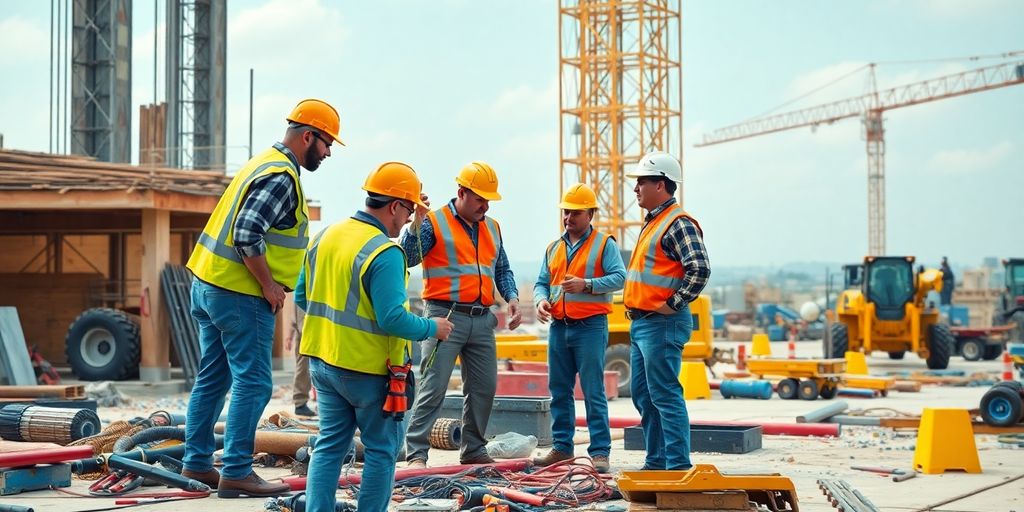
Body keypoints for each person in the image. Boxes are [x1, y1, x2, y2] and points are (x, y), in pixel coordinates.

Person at [182, 98, 343, 497]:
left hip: (209, 285)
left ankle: (197, 464)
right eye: (326, 144)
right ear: (308, 136)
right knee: (254, 384)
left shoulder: (263, 162)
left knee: (213, 378)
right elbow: (247, 234)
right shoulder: (281, 176)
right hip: (239, 293)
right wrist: (271, 285)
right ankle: (236, 470)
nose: (327, 153)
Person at [299, 162, 455, 512]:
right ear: (395, 206)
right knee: (382, 451)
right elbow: (393, 319)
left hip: (322, 362)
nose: (407, 218)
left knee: (329, 446)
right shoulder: (384, 253)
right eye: (409, 209)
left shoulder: (326, 235)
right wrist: (434, 327)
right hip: (367, 372)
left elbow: (301, 296)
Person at [401, 161, 522, 468]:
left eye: (489, 199)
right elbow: (409, 258)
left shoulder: (493, 227)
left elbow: (502, 268)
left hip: (482, 318)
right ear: (461, 193)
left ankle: (474, 449)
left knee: (484, 388)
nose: (486, 205)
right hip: (445, 316)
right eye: (480, 198)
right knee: (433, 385)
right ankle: (416, 453)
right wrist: (416, 223)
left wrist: (512, 297)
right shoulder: (434, 222)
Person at [623, 151, 710, 471]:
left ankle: (676, 466)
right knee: (644, 396)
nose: (636, 188)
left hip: (661, 323)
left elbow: (699, 269)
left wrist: (672, 303)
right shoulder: (654, 223)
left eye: (641, 182)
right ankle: (656, 462)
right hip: (642, 324)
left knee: (665, 395)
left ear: (660, 184)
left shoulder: (677, 223)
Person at [532, 183, 625, 473]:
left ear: (590, 214)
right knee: (559, 390)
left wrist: (587, 285)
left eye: (575, 213)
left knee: (593, 390)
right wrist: (540, 301)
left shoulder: (603, 245)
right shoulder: (554, 247)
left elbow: (620, 277)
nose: (568, 217)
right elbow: (541, 283)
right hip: (559, 327)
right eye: (566, 212)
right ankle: (562, 448)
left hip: (590, 327)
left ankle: (600, 452)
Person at [286, 291, 315, 417]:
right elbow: (296, 313)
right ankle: (300, 403)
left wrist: (290, 335)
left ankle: (301, 402)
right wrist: (289, 335)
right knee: (304, 367)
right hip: (306, 331)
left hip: (306, 329)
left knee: (306, 367)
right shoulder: (305, 280)